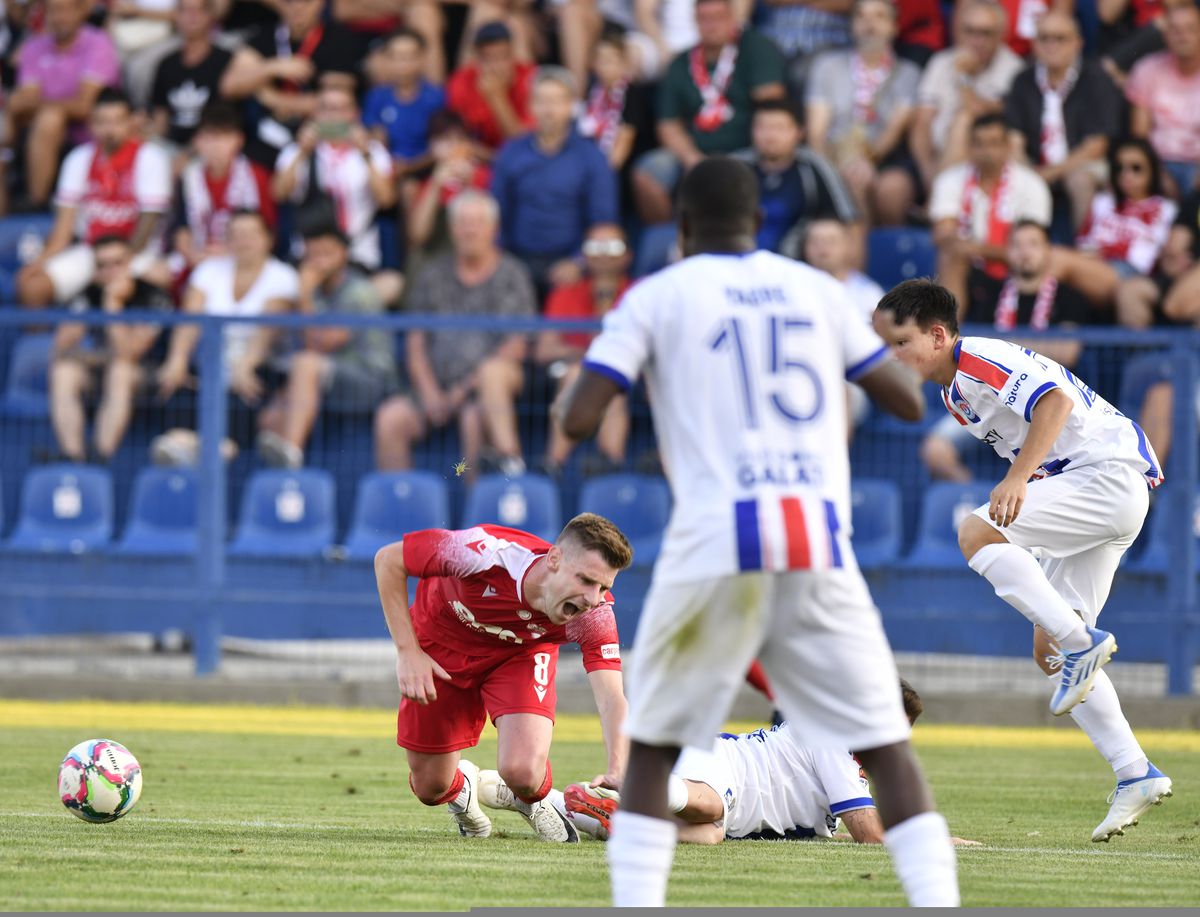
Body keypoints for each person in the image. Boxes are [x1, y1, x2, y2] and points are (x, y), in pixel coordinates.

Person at [553, 156, 959, 907]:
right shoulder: (818, 290)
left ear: (680, 225)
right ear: (762, 222)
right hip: (815, 538)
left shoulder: (660, 294)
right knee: (884, 743)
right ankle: (939, 900)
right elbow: (905, 399)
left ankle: (634, 901)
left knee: (651, 752)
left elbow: (580, 417)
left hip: (715, 539)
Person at [874, 278, 1174, 843]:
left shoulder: (980, 358)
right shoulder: (952, 394)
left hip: (1105, 479)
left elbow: (1055, 403)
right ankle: (1135, 772)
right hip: (1101, 490)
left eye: (900, 342)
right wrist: (1025, 482)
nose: (890, 357)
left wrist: (1016, 479)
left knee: (974, 531)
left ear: (938, 335)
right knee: (1051, 651)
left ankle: (1083, 640)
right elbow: (1039, 442)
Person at [373, 513, 633, 842]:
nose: (593, 598)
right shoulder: (481, 554)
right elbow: (388, 561)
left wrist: (618, 768)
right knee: (430, 787)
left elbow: (611, 697)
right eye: (585, 580)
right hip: (441, 645)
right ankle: (462, 789)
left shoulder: (594, 614)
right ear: (554, 559)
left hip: (519, 655)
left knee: (522, 772)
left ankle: (533, 800)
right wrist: (407, 652)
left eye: (603, 586)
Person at [373, 190, 536, 476]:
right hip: (432, 389)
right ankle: (399, 509)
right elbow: (416, 342)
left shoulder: (513, 274)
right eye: (462, 222)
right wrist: (430, 393)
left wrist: (460, 392)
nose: (469, 230)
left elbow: (516, 345)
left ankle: (475, 511)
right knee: (390, 418)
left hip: (482, 391)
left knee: (474, 416)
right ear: (451, 229)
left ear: (493, 229)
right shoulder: (431, 274)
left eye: (476, 222)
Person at [917, 221, 1091, 483]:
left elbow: (1068, 350)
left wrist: (1003, 345)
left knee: (1047, 473)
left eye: (1033, 244)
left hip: (1044, 404)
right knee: (935, 450)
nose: (1025, 252)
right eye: (1017, 245)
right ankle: (983, 506)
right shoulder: (991, 295)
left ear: (1047, 252)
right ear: (1008, 253)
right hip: (988, 401)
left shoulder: (1069, 296)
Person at [153, 209, 300, 466]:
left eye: (251, 234)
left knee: (248, 392)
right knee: (175, 386)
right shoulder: (209, 271)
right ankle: (209, 448)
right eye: (236, 234)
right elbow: (190, 320)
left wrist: (245, 366)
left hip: (258, 365)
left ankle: (200, 447)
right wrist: (176, 359)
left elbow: (268, 328)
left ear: (268, 238)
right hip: (210, 365)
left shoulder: (283, 275)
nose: (243, 241)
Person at [255, 225, 398, 469]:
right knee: (272, 415)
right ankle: (281, 484)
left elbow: (319, 343)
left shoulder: (358, 291)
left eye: (326, 253)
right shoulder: (317, 292)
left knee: (306, 363)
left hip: (371, 381)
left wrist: (304, 294)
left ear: (343, 254)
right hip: (331, 378)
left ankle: (291, 453)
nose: (319, 262)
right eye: (313, 254)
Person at [632, 0, 786, 225]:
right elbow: (668, 124)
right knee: (648, 174)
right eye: (704, 19)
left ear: (733, 17)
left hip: (749, 150)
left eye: (718, 18)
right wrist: (691, 158)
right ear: (694, 21)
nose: (711, 25)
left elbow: (772, 107)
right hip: (695, 153)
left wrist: (756, 149)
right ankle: (673, 235)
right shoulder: (681, 62)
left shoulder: (756, 48)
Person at [16, 88, 172, 308]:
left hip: (136, 253)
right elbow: (63, 230)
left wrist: (116, 264)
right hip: (90, 252)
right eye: (102, 122)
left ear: (131, 122)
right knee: (32, 286)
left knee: (161, 277)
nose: (109, 129)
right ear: (91, 124)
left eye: (117, 121)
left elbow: (147, 224)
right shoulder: (78, 159)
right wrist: (38, 264)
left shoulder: (151, 157)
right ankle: (40, 343)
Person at [491, 67, 618, 292]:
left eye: (557, 101)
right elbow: (497, 215)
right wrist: (502, 262)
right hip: (516, 263)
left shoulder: (591, 158)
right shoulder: (511, 154)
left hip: (574, 266)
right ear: (530, 106)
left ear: (571, 106)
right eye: (542, 101)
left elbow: (603, 222)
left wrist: (578, 262)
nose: (549, 109)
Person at [48, 236, 173, 464]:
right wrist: (77, 327)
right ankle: (73, 455)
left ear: (130, 263)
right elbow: (60, 349)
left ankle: (101, 457)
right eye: (102, 265)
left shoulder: (154, 296)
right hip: (104, 368)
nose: (110, 271)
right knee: (64, 370)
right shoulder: (88, 293)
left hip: (150, 376)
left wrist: (112, 304)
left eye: (117, 263)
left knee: (121, 370)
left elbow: (131, 353)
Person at [272, 84, 398, 297]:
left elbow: (386, 199)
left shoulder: (374, 152)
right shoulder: (295, 151)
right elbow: (279, 193)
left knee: (379, 288)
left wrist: (365, 153)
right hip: (309, 252)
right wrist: (302, 153)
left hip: (357, 252)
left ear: (354, 113)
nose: (334, 116)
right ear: (316, 113)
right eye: (327, 109)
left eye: (341, 109)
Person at [1003, 11, 1123, 235]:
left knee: (1080, 180)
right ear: (1034, 43)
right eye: (1044, 38)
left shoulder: (1097, 79)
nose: (1052, 45)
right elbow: (1014, 140)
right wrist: (1026, 172)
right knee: (1007, 173)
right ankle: (1011, 254)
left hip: (1081, 164)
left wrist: (1051, 173)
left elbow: (1096, 146)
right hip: (1034, 164)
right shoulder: (1023, 80)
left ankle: (1084, 254)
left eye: (1060, 38)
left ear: (1078, 42)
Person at [805, 0, 921, 227]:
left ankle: (872, 252)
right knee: (852, 177)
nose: (870, 23)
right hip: (834, 154)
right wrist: (827, 169)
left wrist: (863, 160)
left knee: (886, 187)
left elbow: (894, 130)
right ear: (851, 25)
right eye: (861, 16)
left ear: (894, 27)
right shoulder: (827, 66)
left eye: (879, 16)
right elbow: (816, 132)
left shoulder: (908, 73)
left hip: (883, 157)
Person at [929, 112, 1052, 315]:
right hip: (969, 269)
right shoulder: (949, 180)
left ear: (1007, 146)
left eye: (994, 143)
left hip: (1017, 265)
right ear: (969, 147)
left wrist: (973, 248)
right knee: (951, 256)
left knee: (1039, 257)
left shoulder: (1031, 184)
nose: (986, 151)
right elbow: (944, 235)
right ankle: (948, 336)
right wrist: (965, 247)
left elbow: (1034, 245)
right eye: (979, 143)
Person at [3, 0, 120, 209]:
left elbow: (85, 106)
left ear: (81, 12)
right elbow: (21, 102)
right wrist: (56, 104)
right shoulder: (34, 47)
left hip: (90, 135)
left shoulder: (98, 43)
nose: (59, 18)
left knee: (51, 118)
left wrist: (45, 105)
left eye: (65, 10)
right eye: (53, 11)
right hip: (34, 135)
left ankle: (35, 204)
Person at [537, 223, 632, 477]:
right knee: (577, 373)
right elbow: (544, 350)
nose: (603, 254)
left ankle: (610, 462)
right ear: (584, 255)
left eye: (612, 247)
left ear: (627, 255)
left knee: (612, 378)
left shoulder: (638, 294)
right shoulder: (565, 292)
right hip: (573, 372)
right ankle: (554, 465)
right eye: (595, 247)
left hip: (631, 378)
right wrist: (586, 356)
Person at [218, 0, 360, 166]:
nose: (297, 7)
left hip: (317, 137)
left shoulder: (339, 38)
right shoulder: (264, 35)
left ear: (321, 4)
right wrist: (273, 67)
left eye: (306, 3)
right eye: (289, 2)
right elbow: (228, 86)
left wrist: (271, 98)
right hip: (265, 135)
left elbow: (335, 104)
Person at [155, 102, 276, 291]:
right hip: (197, 255)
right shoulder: (189, 176)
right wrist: (194, 255)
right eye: (208, 138)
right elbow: (181, 227)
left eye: (222, 138)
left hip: (242, 254)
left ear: (238, 140)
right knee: (154, 274)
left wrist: (229, 251)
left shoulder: (256, 176)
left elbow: (267, 230)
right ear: (197, 142)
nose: (215, 146)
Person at [910, 0, 1023, 190]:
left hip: (991, 159)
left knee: (963, 120)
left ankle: (943, 200)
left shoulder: (1014, 68)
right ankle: (940, 195)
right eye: (970, 32)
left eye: (986, 33)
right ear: (957, 32)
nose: (977, 41)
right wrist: (927, 171)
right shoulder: (940, 62)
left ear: (1001, 36)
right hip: (940, 158)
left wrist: (963, 78)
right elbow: (922, 123)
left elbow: (978, 113)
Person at [731, 100, 860, 260]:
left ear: (799, 132)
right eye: (762, 127)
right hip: (738, 264)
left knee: (827, 229)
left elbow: (849, 221)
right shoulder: (735, 168)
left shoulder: (814, 166)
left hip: (800, 269)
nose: (770, 136)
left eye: (779, 128)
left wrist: (851, 278)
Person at [1085, 138, 1178, 328]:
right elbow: (1085, 244)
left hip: (1135, 272)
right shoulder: (1102, 202)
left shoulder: (1166, 209)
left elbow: (1157, 258)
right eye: (1120, 168)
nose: (1126, 175)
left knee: (1055, 260)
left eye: (1136, 168)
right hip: (1095, 268)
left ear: (1152, 170)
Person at [1125, 2, 1200, 197]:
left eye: (1190, 29)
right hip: (1158, 162)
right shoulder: (1146, 69)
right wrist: (1158, 173)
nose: (1183, 36)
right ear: (1165, 34)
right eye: (1175, 30)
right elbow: (1140, 134)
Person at [362, 27, 446, 179]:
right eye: (396, 57)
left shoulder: (436, 98)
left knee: (410, 188)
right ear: (386, 60)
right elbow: (375, 137)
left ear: (422, 59)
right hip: (386, 170)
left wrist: (409, 167)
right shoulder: (377, 96)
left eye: (409, 57)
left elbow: (441, 145)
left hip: (425, 171)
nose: (403, 64)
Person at [446, 21, 536, 152]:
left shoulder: (531, 78)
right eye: (488, 59)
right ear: (477, 59)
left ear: (513, 55)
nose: (496, 67)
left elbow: (523, 146)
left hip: (522, 163)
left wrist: (497, 98)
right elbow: (459, 142)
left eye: (503, 57)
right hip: (477, 163)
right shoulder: (461, 82)